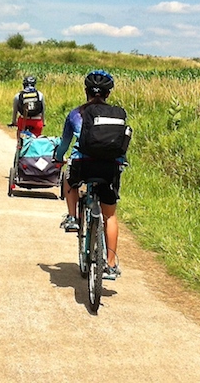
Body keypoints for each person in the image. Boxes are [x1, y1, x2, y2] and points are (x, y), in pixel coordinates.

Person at [53, 70, 128, 281]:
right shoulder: (117, 114)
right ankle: (111, 266)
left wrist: (59, 158)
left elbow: (64, 145)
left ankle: (73, 217)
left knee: (69, 177)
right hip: (109, 167)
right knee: (110, 215)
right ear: (108, 94)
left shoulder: (75, 114)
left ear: (86, 91)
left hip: (83, 164)